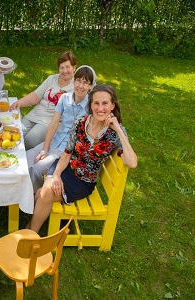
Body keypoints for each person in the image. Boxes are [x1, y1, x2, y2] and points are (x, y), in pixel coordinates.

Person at [26, 84, 138, 233]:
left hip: (82, 181)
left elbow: (132, 162)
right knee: (43, 192)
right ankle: (30, 231)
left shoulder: (115, 133)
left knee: (43, 192)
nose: (100, 108)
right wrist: (57, 175)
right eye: (96, 103)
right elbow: (66, 154)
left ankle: (30, 233)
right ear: (90, 105)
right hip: (64, 167)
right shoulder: (80, 123)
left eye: (105, 103)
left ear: (112, 106)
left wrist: (118, 129)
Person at [26, 66, 97, 192]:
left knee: (37, 169)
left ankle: (33, 198)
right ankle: (20, 192)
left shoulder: (91, 107)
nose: (80, 86)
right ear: (73, 81)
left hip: (67, 151)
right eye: (78, 81)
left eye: (85, 83)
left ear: (91, 86)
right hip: (55, 140)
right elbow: (53, 124)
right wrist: (44, 149)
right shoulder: (65, 98)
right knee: (25, 158)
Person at [9, 51, 78, 150]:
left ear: (74, 67)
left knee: (30, 139)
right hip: (36, 114)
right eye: (62, 68)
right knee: (16, 133)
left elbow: (91, 91)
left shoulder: (77, 85)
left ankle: (25, 160)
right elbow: (36, 95)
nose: (65, 71)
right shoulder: (52, 79)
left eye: (68, 67)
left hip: (51, 120)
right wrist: (19, 102)